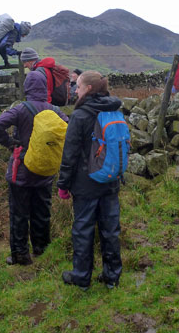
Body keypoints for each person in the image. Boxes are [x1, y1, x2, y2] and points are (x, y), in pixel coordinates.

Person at [0, 70, 69, 265]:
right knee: (42, 211)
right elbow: (69, 130)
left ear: (27, 88)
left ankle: (20, 255)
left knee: (19, 213)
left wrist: (10, 143)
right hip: (45, 170)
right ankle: (42, 250)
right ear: (45, 88)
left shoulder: (20, 109)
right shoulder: (55, 110)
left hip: (22, 169)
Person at [57, 71, 123, 291]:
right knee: (110, 229)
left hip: (85, 184)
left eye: (78, 86)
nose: (75, 89)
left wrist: (63, 185)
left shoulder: (81, 115)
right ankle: (112, 275)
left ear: (88, 89)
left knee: (83, 230)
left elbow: (70, 154)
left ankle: (82, 276)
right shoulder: (114, 109)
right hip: (110, 180)